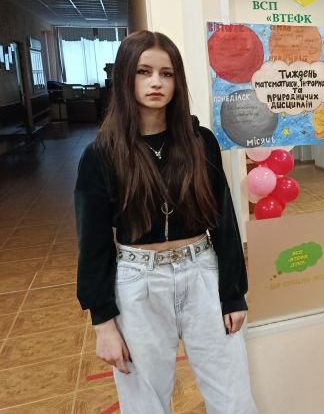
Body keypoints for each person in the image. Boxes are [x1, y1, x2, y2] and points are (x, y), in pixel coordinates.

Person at [74, 31, 258, 414]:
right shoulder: (102, 154)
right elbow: (93, 243)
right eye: (144, 72)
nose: (156, 82)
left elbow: (224, 219)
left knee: (234, 398)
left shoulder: (200, 142)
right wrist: (103, 322)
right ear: (125, 77)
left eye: (167, 73)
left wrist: (233, 293)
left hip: (202, 273)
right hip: (138, 283)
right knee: (144, 403)